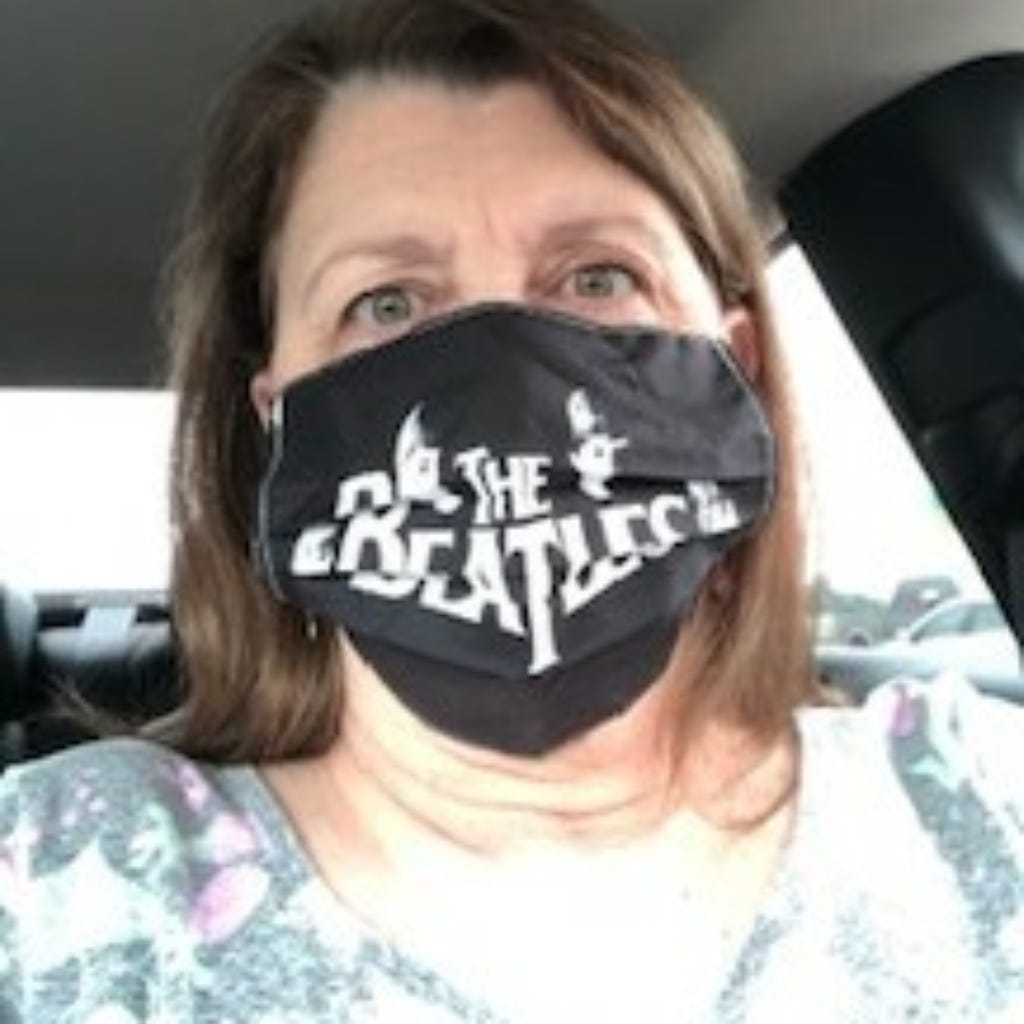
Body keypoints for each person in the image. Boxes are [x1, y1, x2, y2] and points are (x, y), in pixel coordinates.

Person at [1, 0, 1021, 1019]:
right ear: (279, 422)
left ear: (736, 369)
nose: (511, 383)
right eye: (387, 302)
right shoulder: (58, 883)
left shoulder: (979, 798)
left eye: (598, 277)